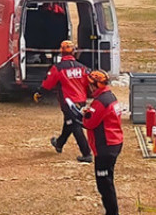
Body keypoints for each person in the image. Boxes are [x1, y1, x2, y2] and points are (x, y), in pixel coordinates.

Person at [34, 40, 93, 163]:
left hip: (68, 103)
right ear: (74, 52)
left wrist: (40, 93)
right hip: (81, 101)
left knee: (75, 125)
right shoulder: (82, 68)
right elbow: (90, 82)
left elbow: (47, 84)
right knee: (69, 123)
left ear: (61, 52)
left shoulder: (58, 68)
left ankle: (86, 153)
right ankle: (59, 143)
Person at [83, 69, 123, 215]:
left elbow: (89, 123)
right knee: (107, 180)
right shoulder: (109, 96)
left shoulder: (100, 102)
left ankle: (112, 212)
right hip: (113, 142)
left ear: (95, 85)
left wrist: (84, 116)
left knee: (104, 183)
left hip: (106, 146)